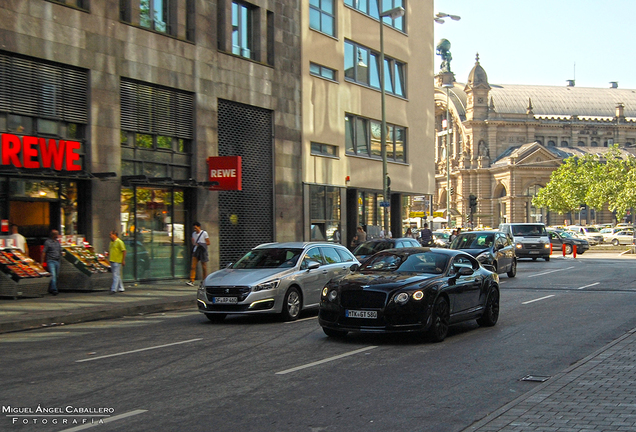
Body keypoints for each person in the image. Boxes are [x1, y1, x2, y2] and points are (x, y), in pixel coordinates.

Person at [187, 222, 210, 286]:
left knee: (204, 266)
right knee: (193, 266)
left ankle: (204, 280)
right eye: (194, 228)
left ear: (199, 227)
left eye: (196, 228)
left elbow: (208, 242)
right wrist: (193, 242)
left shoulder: (204, 233)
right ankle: (192, 280)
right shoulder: (193, 234)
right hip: (196, 250)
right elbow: (194, 243)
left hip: (202, 251)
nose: (195, 229)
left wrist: (201, 244)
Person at [42, 229, 62, 296]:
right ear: (53, 235)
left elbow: (59, 250)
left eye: (57, 234)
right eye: (56, 234)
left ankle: (51, 288)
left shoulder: (57, 242)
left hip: (57, 260)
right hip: (51, 260)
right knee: (53, 275)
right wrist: (42, 261)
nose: (57, 235)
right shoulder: (48, 242)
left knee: (56, 275)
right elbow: (44, 252)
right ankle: (54, 290)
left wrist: (61, 254)